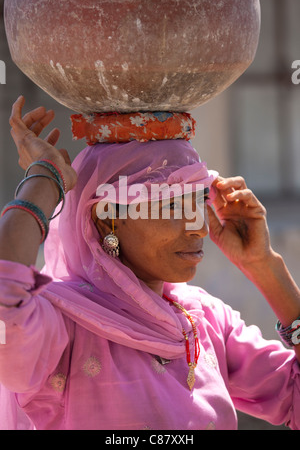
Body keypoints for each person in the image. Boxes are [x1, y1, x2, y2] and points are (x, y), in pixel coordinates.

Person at [0, 95, 300, 430]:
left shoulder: (203, 320)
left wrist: (264, 265)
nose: (199, 225)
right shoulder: (61, 329)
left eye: (199, 201)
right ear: (106, 220)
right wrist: (45, 176)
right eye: (173, 206)